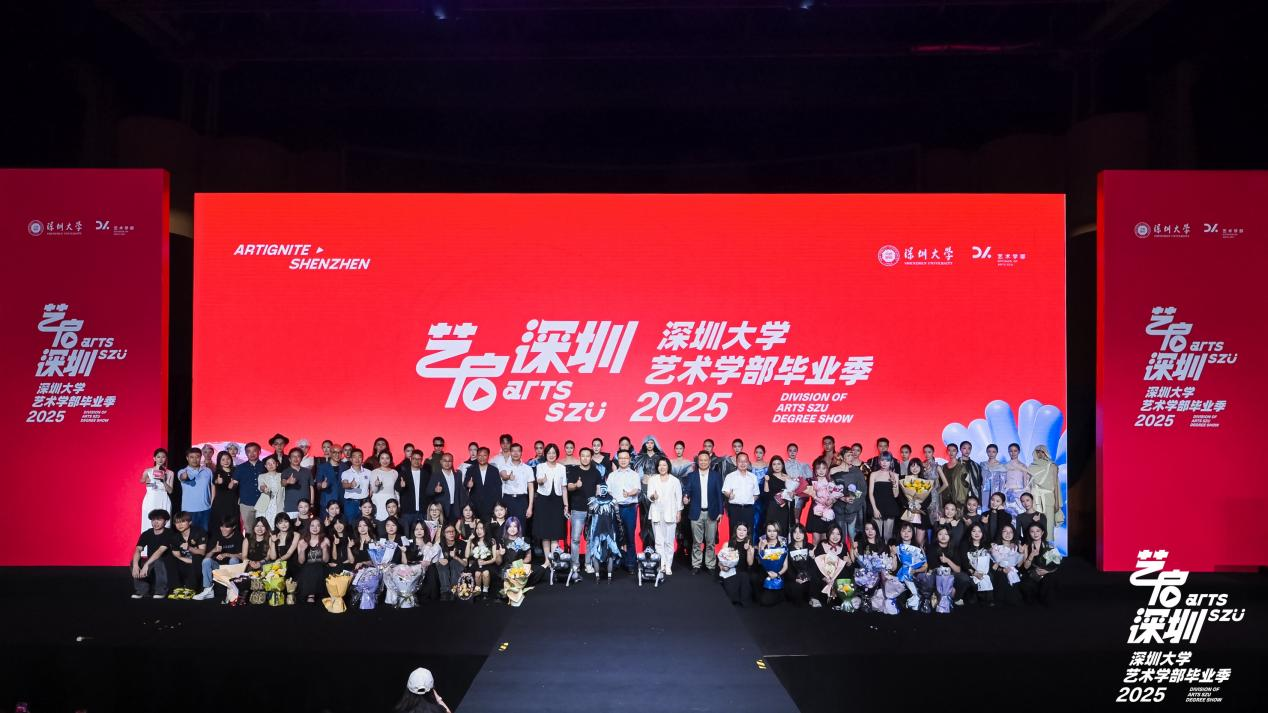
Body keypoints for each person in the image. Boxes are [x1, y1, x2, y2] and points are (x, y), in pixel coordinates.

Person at [684, 450, 724, 574]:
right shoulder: (692, 476)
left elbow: (719, 495)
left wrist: (721, 511)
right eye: (700, 460)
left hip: (712, 512)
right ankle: (696, 564)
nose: (703, 462)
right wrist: (685, 497)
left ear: (709, 461)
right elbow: (688, 491)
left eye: (705, 460)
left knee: (710, 541)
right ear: (697, 461)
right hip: (696, 512)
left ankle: (710, 565)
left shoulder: (716, 476)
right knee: (696, 541)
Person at [566, 447, 602, 575]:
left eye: (587, 456)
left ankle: (588, 564)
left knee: (590, 539)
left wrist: (598, 502)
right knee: (575, 539)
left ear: (591, 458)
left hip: (592, 510)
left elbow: (598, 488)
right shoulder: (574, 470)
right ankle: (575, 564)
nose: (585, 458)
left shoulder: (595, 472)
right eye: (583, 455)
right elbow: (569, 486)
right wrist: (576, 485)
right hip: (577, 510)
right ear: (580, 457)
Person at [646, 456, 683, 575]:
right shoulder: (653, 480)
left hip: (671, 513)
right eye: (660, 465)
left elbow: (679, 498)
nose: (662, 467)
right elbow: (649, 495)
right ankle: (661, 564)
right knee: (658, 541)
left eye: (664, 465)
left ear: (668, 466)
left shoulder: (675, 480)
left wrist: (679, 512)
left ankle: (668, 565)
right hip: (656, 513)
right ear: (657, 467)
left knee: (669, 541)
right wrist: (653, 497)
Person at [606, 450, 642, 573]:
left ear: (629, 459)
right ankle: (616, 561)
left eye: (625, 458)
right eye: (620, 458)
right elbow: (608, 491)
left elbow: (637, 489)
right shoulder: (612, 475)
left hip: (630, 508)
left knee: (630, 536)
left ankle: (631, 563)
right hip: (615, 509)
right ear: (618, 460)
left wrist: (629, 493)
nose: (623, 460)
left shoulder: (634, 475)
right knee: (615, 536)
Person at [531, 444, 568, 555]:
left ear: (557, 454)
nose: (551, 455)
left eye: (553, 453)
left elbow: (564, 487)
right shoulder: (540, 466)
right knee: (545, 532)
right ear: (545, 454)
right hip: (543, 501)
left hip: (557, 501)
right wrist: (542, 480)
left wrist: (566, 505)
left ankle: (553, 560)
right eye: (549, 453)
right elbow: (539, 480)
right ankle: (547, 560)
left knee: (555, 532)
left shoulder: (562, 468)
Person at [131, 509, 173, 599]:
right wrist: (135, 565)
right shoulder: (147, 533)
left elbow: (160, 551)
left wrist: (146, 565)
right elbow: (138, 549)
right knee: (135, 561)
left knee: (158, 561)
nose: (155, 522)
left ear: (165, 521)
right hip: (152, 561)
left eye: (159, 520)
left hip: (167, 562)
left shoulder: (169, 533)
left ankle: (161, 591)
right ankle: (142, 590)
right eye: (153, 520)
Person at [1019, 522, 1061, 605]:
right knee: (1026, 586)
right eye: (1032, 531)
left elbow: (1056, 563)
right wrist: (1031, 555)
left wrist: (1047, 571)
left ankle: (1047, 601)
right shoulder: (1026, 546)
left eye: (1037, 531)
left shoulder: (1049, 545)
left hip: (1046, 573)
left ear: (1042, 532)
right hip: (1032, 574)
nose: (1035, 534)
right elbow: (1025, 567)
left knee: (1050, 579)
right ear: (1029, 533)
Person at [1027, 445, 1063, 541]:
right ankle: (1035, 546)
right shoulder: (1031, 466)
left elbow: (1056, 485)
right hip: (1035, 498)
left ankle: (1048, 546)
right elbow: (1029, 485)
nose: (1040, 454)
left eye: (1042, 451)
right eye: (1037, 452)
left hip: (1049, 497)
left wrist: (1057, 502)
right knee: (1035, 523)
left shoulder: (1052, 466)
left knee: (1049, 524)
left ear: (1046, 453)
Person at [167, 511, 207, 597]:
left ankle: (190, 589)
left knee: (197, 557)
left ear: (190, 522)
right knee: (169, 558)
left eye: (183, 521)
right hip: (186, 563)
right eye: (177, 522)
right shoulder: (175, 537)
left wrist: (189, 548)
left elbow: (202, 552)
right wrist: (188, 560)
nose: (179, 525)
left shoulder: (199, 532)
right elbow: (176, 556)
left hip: (198, 565)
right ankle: (177, 588)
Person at [721, 452, 760, 540]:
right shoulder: (730, 476)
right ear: (736, 462)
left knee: (749, 533)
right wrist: (729, 495)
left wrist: (749, 501)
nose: (743, 463)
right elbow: (725, 491)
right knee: (734, 533)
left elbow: (756, 494)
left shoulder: (753, 477)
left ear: (748, 462)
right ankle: (733, 549)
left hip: (748, 509)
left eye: (745, 461)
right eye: (740, 461)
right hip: (735, 509)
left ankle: (748, 549)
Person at [176, 448, 213, 532]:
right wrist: (184, 476)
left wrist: (212, 503)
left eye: (197, 457)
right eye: (191, 457)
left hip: (205, 509)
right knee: (189, 535)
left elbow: (212, 487)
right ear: (187, 458)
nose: (195, 459)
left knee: (204, 535)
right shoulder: (182, 471)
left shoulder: (207, 471)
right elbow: (183, 477)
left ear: (201, 457)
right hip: (188, 510)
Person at [498, 443, 534, 528]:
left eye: (518, 451)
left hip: (522, 500)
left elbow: (531, 488)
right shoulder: (504, 466)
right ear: (510, 452)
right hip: (507, 499)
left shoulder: (528, 468)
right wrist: (508, 477)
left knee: (520, 526)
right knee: (506, 526)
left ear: (521, 453)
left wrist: (530, 507)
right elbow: (503, 476)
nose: (515, 453)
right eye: (513, 451)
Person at [719, 522, 755, 606]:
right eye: (739, 529)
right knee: (729, 597)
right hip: (730, 572)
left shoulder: (750, 546)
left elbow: (750, 563)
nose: (741, 532)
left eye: (744, 530)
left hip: (743, 573)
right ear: (735, 531)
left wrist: (748, 550)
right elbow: (720, 562)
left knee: (744, 578)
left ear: (747, 532)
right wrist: (723, 568)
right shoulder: (727, 544)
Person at [428, 452, 468, 525]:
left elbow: (461, 493)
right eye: (445, 461)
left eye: (449, 461)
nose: (447, 463)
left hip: (455, 510)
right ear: (441, 462)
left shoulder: (457, 475)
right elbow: (428, 492)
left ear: (452, 462)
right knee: (441, 530)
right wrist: (435, 490)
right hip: (441, 510)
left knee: (455, 530)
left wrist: (462, 509)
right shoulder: (435, 475)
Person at [296, 517, 330, 604]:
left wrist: (325, 549)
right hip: (307, 568)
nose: (315, 528)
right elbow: (301, 561)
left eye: (318, 526)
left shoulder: (325, 540)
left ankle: (312, 595)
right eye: (312, 525)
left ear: (321, 527)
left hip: (321, 567)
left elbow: (326, 560)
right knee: (308, 568)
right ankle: (310, 595)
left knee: (316, 567)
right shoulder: (302, 541)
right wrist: (302, 550)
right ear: (309, 527)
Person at [867, 455, 900, 542]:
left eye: (887, 460)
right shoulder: (874, 474)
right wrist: (875, 509)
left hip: (890, 507)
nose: (884, 463)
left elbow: (896, 495)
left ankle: (887, 550)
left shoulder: (895, 475)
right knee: (876, 535)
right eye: (882, 460)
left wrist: (894, 483)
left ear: (891, 462)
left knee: (887, 536)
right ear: (879, 461)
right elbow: (870, 493)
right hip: (876, 506)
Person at [989, 523, 1024, 606]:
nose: (1008, 534)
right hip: (998, 572)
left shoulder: (1017, 547)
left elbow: (1019, 565)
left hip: (1013, 571)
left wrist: (1022, 553)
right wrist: (1002, 569)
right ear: (1000, 533)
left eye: (1010, 532)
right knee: (1002, 576)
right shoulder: (995, 547)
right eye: (1005, 531)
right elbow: (993, 567)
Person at [755, 522, 788, 606]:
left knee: (768, 600)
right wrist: (762, 547)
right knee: (762, 601)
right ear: (766, 532)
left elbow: (785, 566)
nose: (772, 533)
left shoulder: (783, 543)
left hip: (778, 574)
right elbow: (760, 561)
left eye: (774, 531)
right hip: (765, 573)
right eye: (769, 531)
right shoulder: (762, 542)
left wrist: (777, 574)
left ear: (778, 531)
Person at [783, 524, 815, 606]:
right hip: (794, 579)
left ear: (804, 534)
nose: (797, 535)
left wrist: (813, 557)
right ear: (792, 534)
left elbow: (814, 567)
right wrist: (795, 578)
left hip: (809, 578)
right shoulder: (788, 548)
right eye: (795, 532)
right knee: (797, 596)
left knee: (813, 585)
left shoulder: (810, 547)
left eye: (800, 532)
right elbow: (788, 568)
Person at [465, 520, 498, 599]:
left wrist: (485, 563)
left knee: (486, 573)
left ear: (486, 529)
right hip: (477, 564)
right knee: (477, 573)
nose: (478, 531)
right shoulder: (474, 541)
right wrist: (469, 541)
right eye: (477, 528)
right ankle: (478, 590)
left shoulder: (492, 541)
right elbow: (467, 555)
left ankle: (485, 591)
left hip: (488, 563)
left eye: (481, 528)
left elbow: (494, 558)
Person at [761, 455, 794, 535]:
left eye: (779, 464)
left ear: (782, 465)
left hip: (784, 508)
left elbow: (791, 494)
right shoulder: (768, 477)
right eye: (774, 464)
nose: (777, 466)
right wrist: (766, 481)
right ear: (771, 466)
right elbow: (766, 494)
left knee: (783, 529)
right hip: (772, 507)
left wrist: (791, 495)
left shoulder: (788, 477)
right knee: (771, 530)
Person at [398, 450, 429, 533]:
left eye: (419, 459)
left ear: (422, 460)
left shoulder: (426, 474)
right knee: (407, 535)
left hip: (423, 511)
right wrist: (401, 486)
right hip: (407, 511)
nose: (416, 461)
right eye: (414, 458)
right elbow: (397, 488)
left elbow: (428, 492)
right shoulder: (404, 473)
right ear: (411, 459)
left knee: (423, 534)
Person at [467, 447, 501, 521]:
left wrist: (497, 505)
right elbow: (465, 486)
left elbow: (498, 489)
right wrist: (468, 485)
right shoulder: (470, 469)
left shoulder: (494, 470)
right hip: (475, 505)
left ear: (488, 456)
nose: (482, 458)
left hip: (490, 505)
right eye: (480, 455)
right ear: (477, 456)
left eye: (484, 455)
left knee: (488, 526)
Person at [209, 451, 240, 533]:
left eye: (228, 459)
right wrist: (218, 481)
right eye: (223, 459)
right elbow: (215, 483)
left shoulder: (236, 471)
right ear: (219, 461)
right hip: (220, 502)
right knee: (220, 522)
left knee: (233, 522)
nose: (226, 461)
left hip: (233, 501)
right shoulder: (217, 472)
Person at [434, 524, 467, 600]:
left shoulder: (462, 544)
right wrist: (439, 559)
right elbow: (433, 560)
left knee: (454, 562)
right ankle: (445, 592)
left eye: (453, 531)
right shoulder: (440, 545)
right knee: (442, 564)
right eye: (448, 532)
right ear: (444, 533)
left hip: (457, 567)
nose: (451, 533)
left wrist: (456, 557)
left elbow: (465, 564)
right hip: (444, 568)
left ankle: (454, 590)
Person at [280, 448, 314, 520]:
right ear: (289, 459)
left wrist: (311, 503)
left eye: (298, 456)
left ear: (301, 458)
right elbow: (282, 483)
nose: (296, 458)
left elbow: (311, 487)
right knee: (291, 526)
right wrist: (288, 481)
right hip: (291, 507)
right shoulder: (286, 471)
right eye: (293, 456)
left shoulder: (307, 471)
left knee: (306, 526)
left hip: (305, 507)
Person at [314, 444, 347, 515]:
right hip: (327, 502)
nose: (337, 454)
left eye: (339, 452)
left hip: (341, 503)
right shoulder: (322, 467)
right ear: (330, 453)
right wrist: (321, 485)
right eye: (334, 452)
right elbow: (318, 485)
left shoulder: (345, 467)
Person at [340, 448, 371, 524]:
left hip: (364, 502)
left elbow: (372, 487)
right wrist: (350, 485)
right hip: (351, 503)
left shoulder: (369, 472)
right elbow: (344, 485)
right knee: (350, 524)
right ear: (350, 459)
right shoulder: (346, 473)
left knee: (365, 524)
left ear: (362, 458)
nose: (357, 459)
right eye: (354, 457)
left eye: (359, 456)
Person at [369, 451, 399, 523]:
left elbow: (396, 490)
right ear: (379, 460)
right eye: (382, 458)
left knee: (391, 522)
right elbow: (374, 490)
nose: (385, 461)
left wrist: (398, 502)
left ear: (390, 460)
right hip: (378, 500)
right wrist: (376, 485)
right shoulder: (374, 472)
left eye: (387, 458)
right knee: (379, 522)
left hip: (391, 500)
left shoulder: (395, 472)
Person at [255, 455, 284, 526]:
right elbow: (261, 486)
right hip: (265, 504)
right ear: (265, 466)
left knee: (277, 523)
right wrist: (264, 488)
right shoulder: (262, 476)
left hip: (279, 503)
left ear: (277, 464)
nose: (271, 465)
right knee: (264, 524)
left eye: (273, 463)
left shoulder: (282, 475)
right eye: (268, 463)